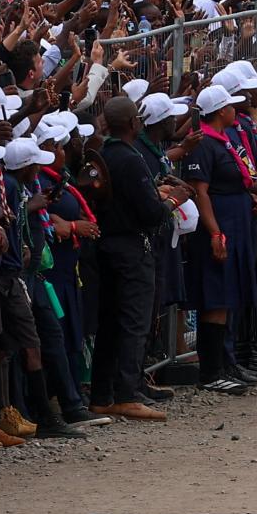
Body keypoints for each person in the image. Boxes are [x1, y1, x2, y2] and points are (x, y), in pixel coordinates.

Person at [89, 97, 172, 419]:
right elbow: (150, 211)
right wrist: (170, 203)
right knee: (135, 322)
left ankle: (101, 395)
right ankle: (126, 393)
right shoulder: (129, 158)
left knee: (110, 322)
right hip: (131, 247)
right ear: (133, 123)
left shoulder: (103, 154)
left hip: (107, 246)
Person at [183, 82, 257, 393]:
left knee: (227, 296)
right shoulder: (204, 144)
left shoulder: (223, 139)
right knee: (215, 298)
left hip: (235, 222)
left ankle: (224, 365)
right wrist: (215, 232)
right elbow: (200, 191)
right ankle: (211, 372)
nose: (235, 109)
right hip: (219, 226)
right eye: (230, 105)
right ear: (220, 111)